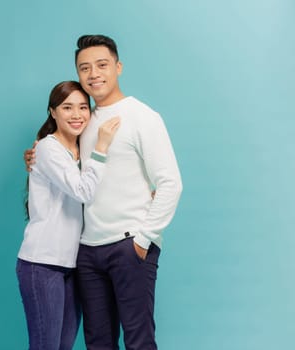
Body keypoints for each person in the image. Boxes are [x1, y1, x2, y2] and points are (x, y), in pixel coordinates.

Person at [24, 35, 183, 350]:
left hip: (129, 245)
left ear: (118, 67)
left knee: (138, 341)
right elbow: (63, 160)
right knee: (98, 342)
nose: (93, 73)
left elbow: (170, 183)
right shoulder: (82, 119)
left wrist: (143, 239)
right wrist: (35, 156)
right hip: (86, 251)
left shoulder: (142, 117)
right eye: (85, 68)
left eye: (101, 65)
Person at [17, 80, 121, 350]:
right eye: (67, 107)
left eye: (83, 107)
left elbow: (102, 188)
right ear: (53, 112)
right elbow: (84, 191)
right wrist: (102, 147)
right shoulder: (48, 148)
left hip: (71, 264)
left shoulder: (81, 148)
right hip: (41, 263)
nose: (76, 115)